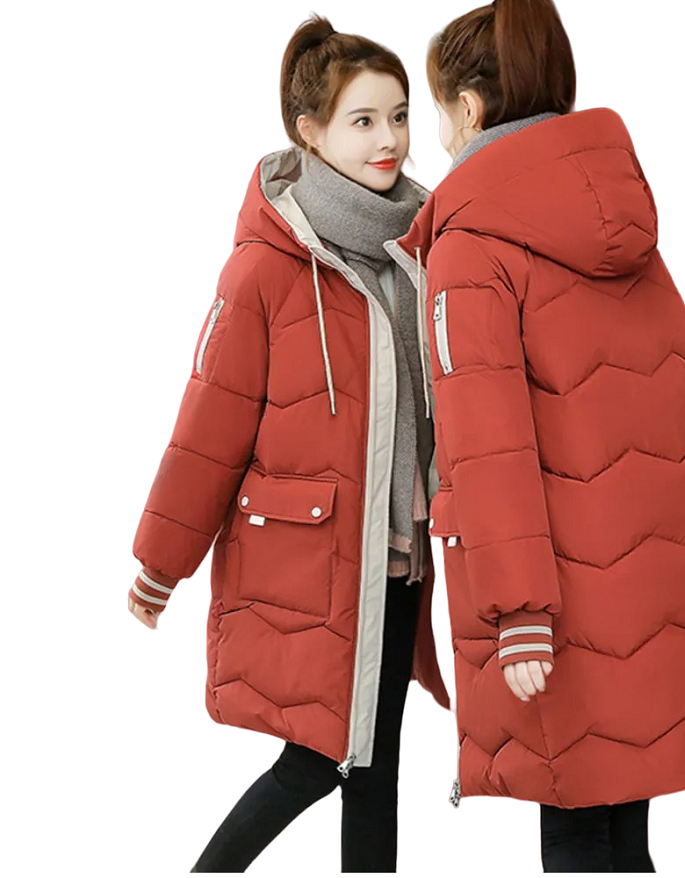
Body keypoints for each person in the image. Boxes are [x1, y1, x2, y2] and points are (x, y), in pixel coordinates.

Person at [384, 0, 685, 872]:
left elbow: (487, 447)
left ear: (469, 108)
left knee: (580, 837)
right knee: (620, 832)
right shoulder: (625, 227)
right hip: (648, 588)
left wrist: (518, 612)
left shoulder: (472, 246)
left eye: (437, 111)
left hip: (556, 599)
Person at [126, 14, 450, 872]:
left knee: (373, 773)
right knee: (317, 760)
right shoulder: (267, 266)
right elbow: (210, 424)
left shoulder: (420, 253)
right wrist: (161, 564)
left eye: (400, 116)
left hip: (399, 565)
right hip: (313, 564)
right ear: (309, 132)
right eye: (363, 120)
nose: (390, 140)